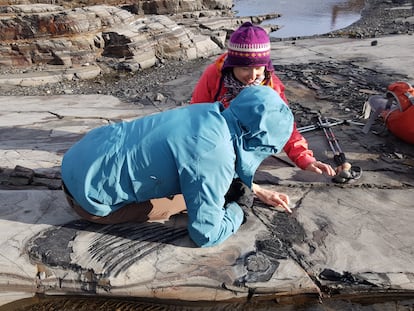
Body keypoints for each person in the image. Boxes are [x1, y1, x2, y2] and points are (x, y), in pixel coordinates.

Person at [61, 86, 294, 248]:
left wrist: (244, 186)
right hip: (88, 201)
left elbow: (199, 155)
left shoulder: (206, 111)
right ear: (260, 142)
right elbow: (205, 235)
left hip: (78, 158)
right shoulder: (215, 155)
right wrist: (238, 211)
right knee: (184, 202)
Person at [190, 22, 336, 213]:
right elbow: (196, 118)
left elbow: (284, 125)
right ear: (232, 64)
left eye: (258, 68)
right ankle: (241, 181)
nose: (252, 76)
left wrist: (305, 159)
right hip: (216, 137)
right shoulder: (214, 76)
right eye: (244, 69)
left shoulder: (270, 84)